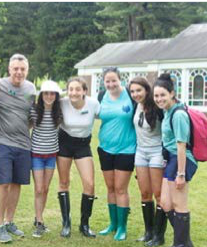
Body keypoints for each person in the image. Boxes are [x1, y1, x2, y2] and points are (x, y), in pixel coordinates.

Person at [0, 54, 36, 243]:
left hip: (24, 144)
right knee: (4, 183)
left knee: (17, 183)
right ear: (9, 69)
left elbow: (33, 114)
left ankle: (10, 221)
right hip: (1, 141)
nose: (19, 72)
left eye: (22, 69)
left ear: (27, 70)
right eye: (15, 68)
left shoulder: (31, 88)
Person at [153, 73, 196, 247]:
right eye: (156, 95)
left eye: (162, 94)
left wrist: (180, 173)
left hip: (181, 160)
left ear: (172, 93)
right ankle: (185, 242)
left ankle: (180, 244)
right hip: (171, 159)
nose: (159, 99)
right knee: (165, 202)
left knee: (179, 204)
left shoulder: (178, 114)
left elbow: (181, 146)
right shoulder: (167, 110)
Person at [57, 77, 100, 238]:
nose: (74, 92)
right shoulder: (61, 103)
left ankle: (84, 224)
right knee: (64, 182)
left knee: (89, 184)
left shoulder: (94, 104)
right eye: (71, 89)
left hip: (83, 145)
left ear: (84, 91)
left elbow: (109, 117)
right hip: (64, 143)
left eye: (77, 89)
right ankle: (66, 223)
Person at [97, 67, 136, 241]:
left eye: (114, 80)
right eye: (108, 81)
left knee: (121, 189)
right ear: (103, 82)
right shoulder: (100, 96)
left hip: (126, 149)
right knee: (110, 188)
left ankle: (122, 226)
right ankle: (112, 223)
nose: (111, 84)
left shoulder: (130, 94)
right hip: (105, 148)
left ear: (120, 80)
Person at [129, 77, 166, 246]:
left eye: (139, 90)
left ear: (147, 90)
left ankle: (159, 236)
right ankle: (148, 232)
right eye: (133, 91)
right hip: (140, 153)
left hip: (156, 152)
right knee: (145, 193)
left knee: (159, 195)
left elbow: (178, 113)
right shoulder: (135, 105)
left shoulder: (158, 106)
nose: (136, 94)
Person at [29, 80, 62, 238]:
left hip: (51, 155)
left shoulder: (59, 112)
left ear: (56, 96)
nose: (49, 96)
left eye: (52, 93)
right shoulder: (34, 110)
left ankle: (38, 218)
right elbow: (26, 125)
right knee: (39, 188)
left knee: (46, 189)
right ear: (41, 95)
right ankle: (40, 222)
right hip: (36, 154)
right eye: (46, 93)